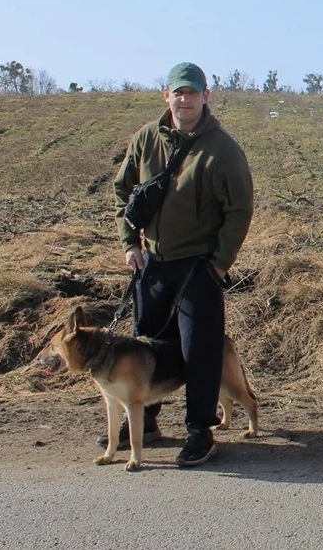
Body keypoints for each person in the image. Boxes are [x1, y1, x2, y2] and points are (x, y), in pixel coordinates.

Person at [108, 61, 254, 467]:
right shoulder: (145, 139)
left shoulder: (223, 150)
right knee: (145, 344)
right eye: (179, 92)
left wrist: (221, 263)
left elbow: (240, 210)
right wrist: (129, 244)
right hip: (152, 263)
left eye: (193, 92)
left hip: (199, 268)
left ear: (206, 95)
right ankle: (145, 421)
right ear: (166, 95)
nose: (185, 99)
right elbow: (123, 193)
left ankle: (199, 430)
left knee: (199, 352)